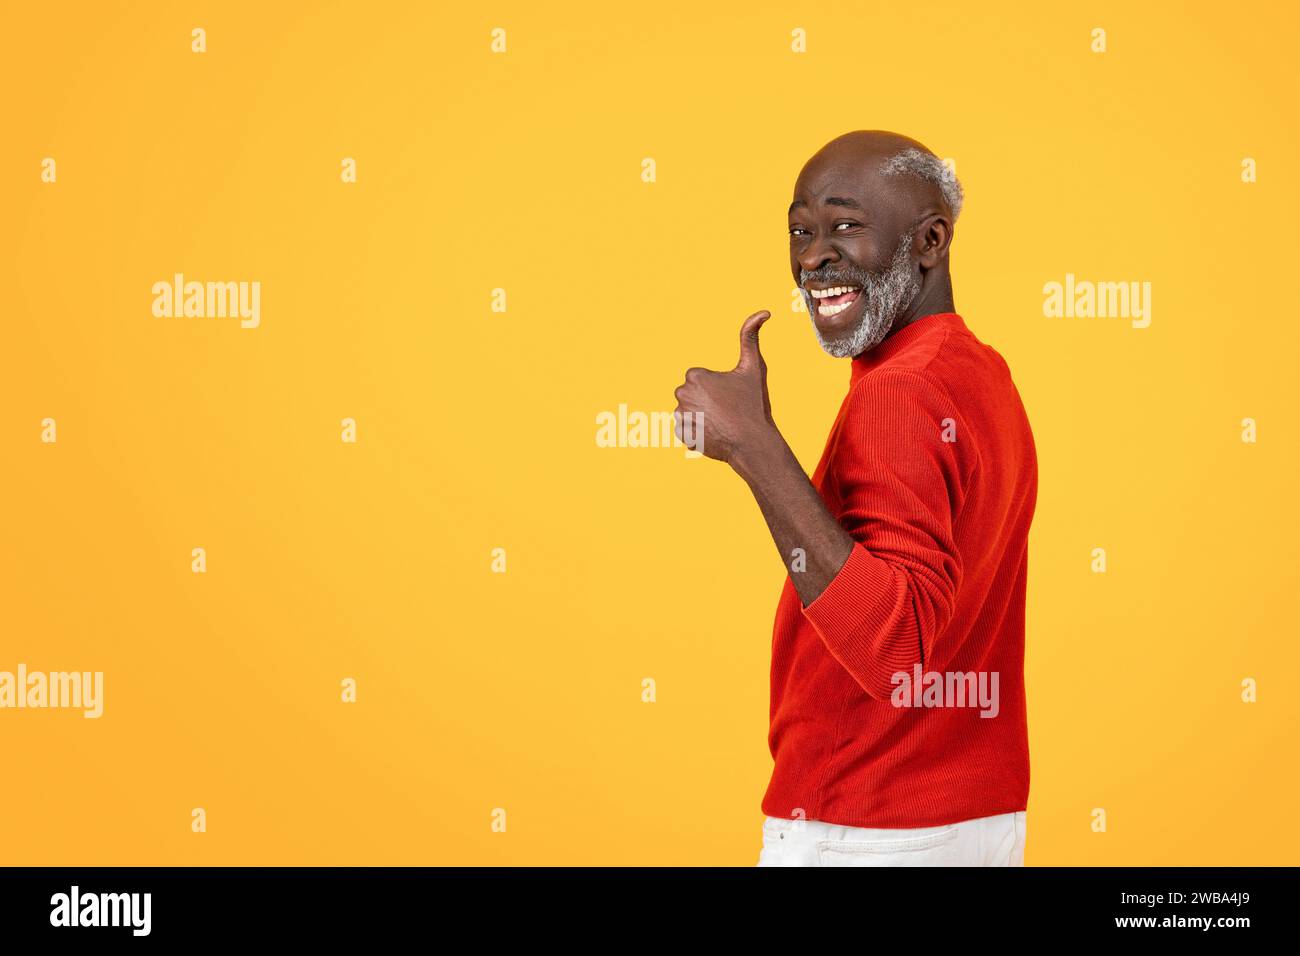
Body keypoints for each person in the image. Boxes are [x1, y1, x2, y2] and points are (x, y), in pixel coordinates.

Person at [673, 131, 1037, 866]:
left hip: (868, 830)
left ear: (930, 239)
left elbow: (897, 652)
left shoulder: (901, 392)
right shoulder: (979, 371)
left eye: (844, 226)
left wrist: (754, 447)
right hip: (974, 819)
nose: (812, 257)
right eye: (800, 231)